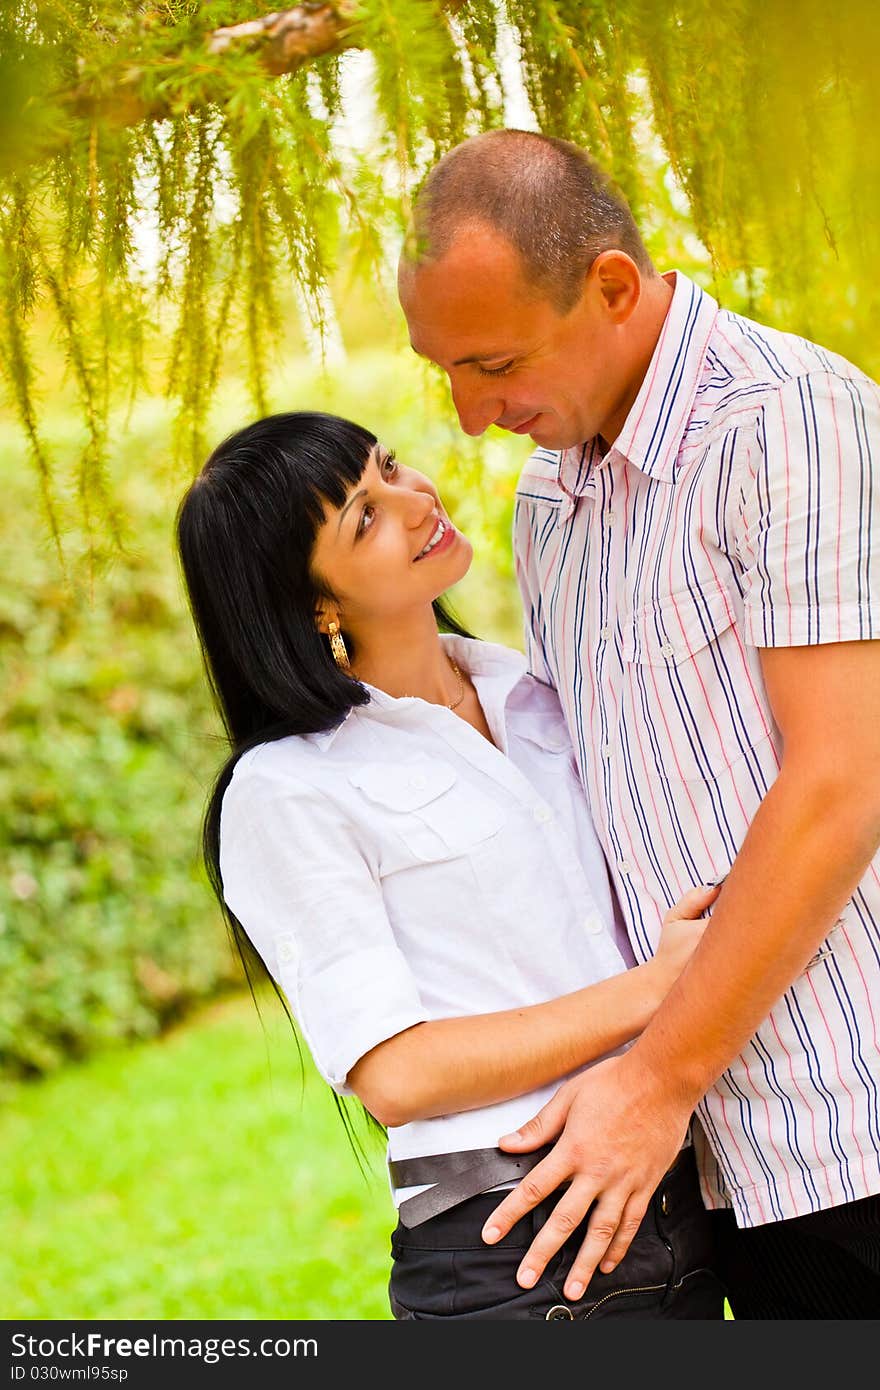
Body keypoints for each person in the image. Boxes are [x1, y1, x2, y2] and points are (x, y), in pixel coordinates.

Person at [397, 128, 880, 1319]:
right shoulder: (550, 502)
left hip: (854, 1121)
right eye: (442, 370)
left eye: (494, 361)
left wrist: (655, 1080)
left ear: (612, 286)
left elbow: (845, 781)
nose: (467, 415)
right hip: (708, 1170)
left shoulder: (789, 421)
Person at [175, 409, 728, 1320]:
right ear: (316, 604)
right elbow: (399, 1074)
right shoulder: (291, 790)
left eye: (389, 466)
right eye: (364, 515)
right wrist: (657, 988)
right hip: (512, 1257)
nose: (414, 497)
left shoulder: (539, 691)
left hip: (673, 1205)